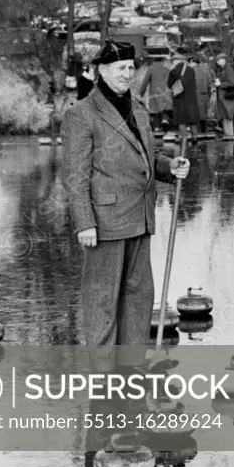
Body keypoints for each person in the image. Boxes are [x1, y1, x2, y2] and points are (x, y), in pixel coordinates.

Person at [60, 39, 190, 346]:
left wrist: (169, 168)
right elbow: (75, 176)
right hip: (104, 223)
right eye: (120, 68)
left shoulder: (138, 109)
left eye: (131, 67)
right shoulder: (81, 114)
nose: (127, 74)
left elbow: (144, 157)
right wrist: (84, 223)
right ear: (101, 70)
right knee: (102, 299)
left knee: (138, 297)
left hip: (140, 217)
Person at [167, 49, 200, 146]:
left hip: (179, 99)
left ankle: (184, 137)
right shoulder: (191, 70)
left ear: (175, 61)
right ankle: (195, 138)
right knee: (192, 120)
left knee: (181, 120)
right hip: (191, 99)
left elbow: (169, 85)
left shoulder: (173, 71)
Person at [213, 53, 234, 140]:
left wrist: (220, 84)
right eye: (217, 60)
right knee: (224, 115)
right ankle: (227, 134)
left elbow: (232, 83)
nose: (217, 62)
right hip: (222, 97)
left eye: (218, 60)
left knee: (228, 115)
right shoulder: (222, 69)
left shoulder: (229, 69)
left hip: (227, 97)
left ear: (224, 60)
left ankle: (230, 135)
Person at [192, 54, 212, 133]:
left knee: (196, 112)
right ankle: (204, 129)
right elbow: (209, 84)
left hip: (196, 94)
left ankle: (197, 131)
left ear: (193, 62)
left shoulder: (192, 70)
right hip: (205, 94)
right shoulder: (206, 71)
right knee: (204, 112)